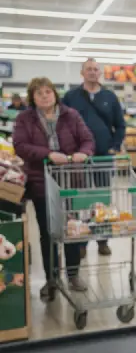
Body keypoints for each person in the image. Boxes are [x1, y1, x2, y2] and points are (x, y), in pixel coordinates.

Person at [12, 77, 95, 298]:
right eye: (39, 93)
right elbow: (20, 145)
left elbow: (87, 139)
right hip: (42, 182)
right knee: (47, 233)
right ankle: (51, 278)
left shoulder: (71, 115)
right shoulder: (24, 119)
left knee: (72, 229)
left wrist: (83, 153)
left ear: (54, 94)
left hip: (71, 181)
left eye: (48, 92)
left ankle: (73, 274)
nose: (44, 96)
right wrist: (48, 155)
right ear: (33, 98)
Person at [62, 58, 126, 257]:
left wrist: (115, 146)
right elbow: (61, 124)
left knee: (102, 199)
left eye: (95, 69)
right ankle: (81, 240)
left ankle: (102, 240)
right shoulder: (71, 96)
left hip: (103, 158)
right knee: (80, 199)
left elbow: (121, 125)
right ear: (82, 72)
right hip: (78, 158)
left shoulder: (109, 96)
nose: (92, 72)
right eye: (88, 69)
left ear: (100, 73)